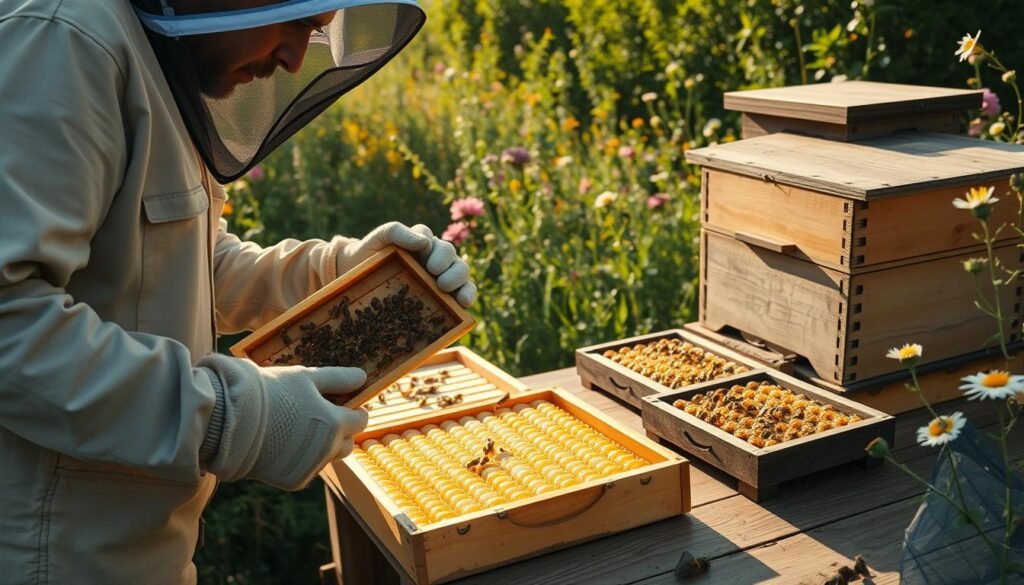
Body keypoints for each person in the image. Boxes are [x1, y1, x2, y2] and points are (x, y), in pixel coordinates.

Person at [0, 0, 475, 582]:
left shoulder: (153, 55)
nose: (296, 58)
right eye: (296, 22)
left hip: (138, 550)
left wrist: (342, 273)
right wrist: (227, 417)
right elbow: (9, 318)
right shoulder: (65, 42)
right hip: (45, 556)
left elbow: (183, 264)